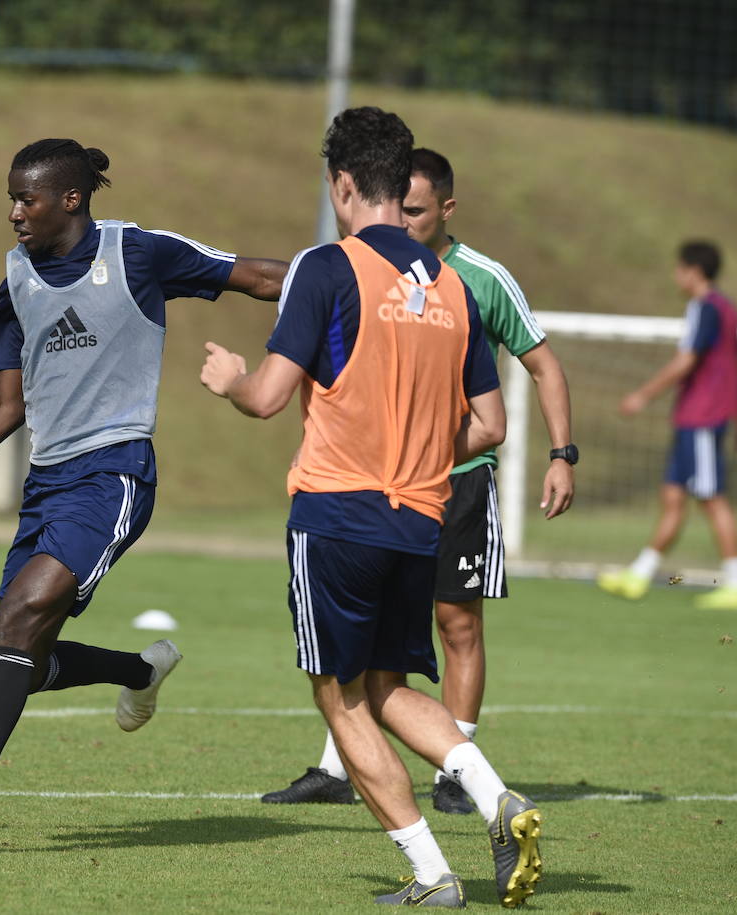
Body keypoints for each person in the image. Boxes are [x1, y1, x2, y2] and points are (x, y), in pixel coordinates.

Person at [0, 138, 288, 853]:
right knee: (20, 644)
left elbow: (262, 278)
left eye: (28, 199)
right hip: (46, 482)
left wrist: (352, 277)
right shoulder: (16, 280)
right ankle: (139, 669)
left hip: (114, 472)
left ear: (71, 199)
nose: (16, 213)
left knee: (22, 614)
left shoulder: (137, 253)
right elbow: (5, 404)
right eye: (11, 200)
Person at [200, 108, 541, 908]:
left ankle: (430, 872)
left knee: (339, 694)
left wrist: (231, 379)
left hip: (337, 514)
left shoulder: (328, 267)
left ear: (343, 184)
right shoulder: (453, 286)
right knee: (386, 687)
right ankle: (497, 799)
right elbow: (490, 425)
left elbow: (269, 397)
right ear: (403, 181)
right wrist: (416, 444)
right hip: (420, 519)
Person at [261, 148, 578, 817]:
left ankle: (457, 776)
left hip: (454, 482)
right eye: (396, 206)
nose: (401, 221)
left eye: (416, 210)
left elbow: (542, 367)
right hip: (379, 486)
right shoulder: (362, 271)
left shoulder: (473, 281)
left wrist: (562, 452)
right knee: (367, 646)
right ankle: (336, 766)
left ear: (447, 209)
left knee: (455, 624)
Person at [599, 240, 737, 610]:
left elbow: (686, 361)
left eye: (679, 268)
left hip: (703, 416)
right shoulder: (728, 310)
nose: (675, 276)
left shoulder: (705, 308)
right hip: (698, 417)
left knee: (712, 499)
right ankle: (639, 574)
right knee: (673, 496)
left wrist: (642, 395)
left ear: (693, 271)